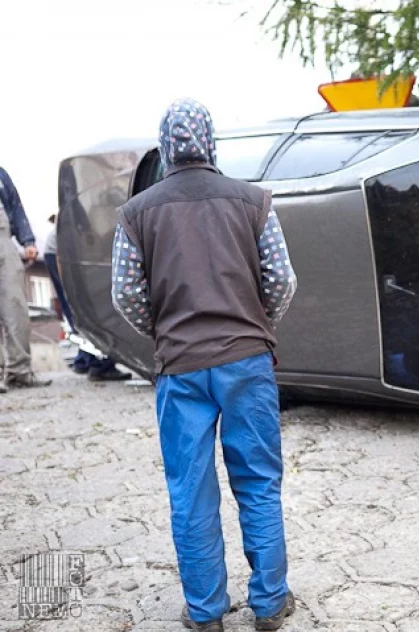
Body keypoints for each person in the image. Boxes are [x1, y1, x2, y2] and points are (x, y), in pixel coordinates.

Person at [111, 99, 298, 632]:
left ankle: (206, 614)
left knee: (190, 491)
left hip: (180, 368)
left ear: (166, 144)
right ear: (211, 141)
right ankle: (269, 604)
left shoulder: (137, 212)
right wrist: (257, 322)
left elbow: (125, 293)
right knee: (258, 482)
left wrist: (164, 329)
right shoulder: (253, 201)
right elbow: (281, 280)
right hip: (247, 362)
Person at [44, 214, 131, 381]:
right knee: (83, 309)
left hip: (62, 252)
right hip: (61, 253)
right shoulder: (90, 232)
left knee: (83, 308)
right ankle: (96, 363)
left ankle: (85, 360)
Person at [0, 166, 52, 393]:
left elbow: (15, 207)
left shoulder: (1, 174)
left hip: (3, 241)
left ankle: (19, 372)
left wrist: (28, 240)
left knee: (16, 308)